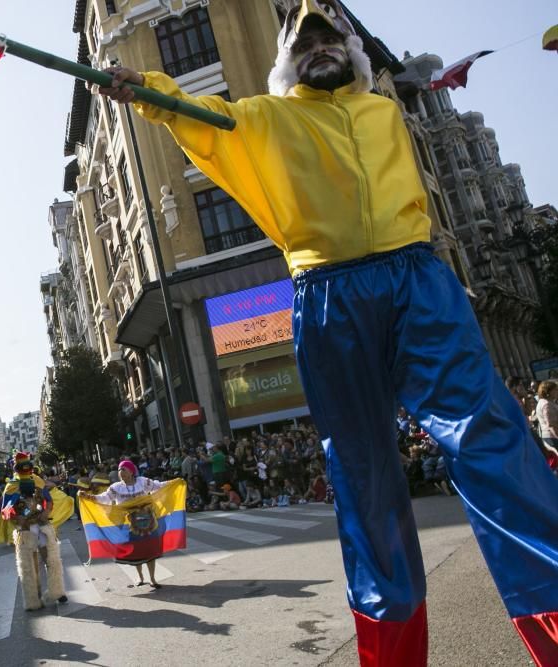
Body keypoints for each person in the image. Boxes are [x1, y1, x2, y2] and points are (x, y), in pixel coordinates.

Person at [97, 1, 558, 662]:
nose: (320, 47)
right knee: (365, 479)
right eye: (304, 43)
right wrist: (144, 90)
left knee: (490, 439)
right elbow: (202, 117)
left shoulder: (382, 110)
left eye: (329, 38)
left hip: (418, 282)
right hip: (329, 295)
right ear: (288, 63)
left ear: (351, 53)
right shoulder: (267, 117)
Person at [80, 460, 169, 588]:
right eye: (119, 470)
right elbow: (104, 498)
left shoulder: (143, 482)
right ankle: (140, 577)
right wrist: (89, 497)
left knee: (150, 550)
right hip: (129, 524)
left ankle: (153, 579)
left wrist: (174, 482)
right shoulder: (116, 487)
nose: (121, 472)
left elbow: (158, 486)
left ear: (131, 471)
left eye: (124, 470)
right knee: (136, 551)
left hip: (148, 521)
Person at [0, 452, 67, 611]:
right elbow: (4, 510)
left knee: (51, 558)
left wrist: (46, 512)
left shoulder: (38, 481)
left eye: (27, 466)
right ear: (16, 468)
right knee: (28, 566)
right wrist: (16, 518)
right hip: (24, 530)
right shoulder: (11, 487)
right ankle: (33, 599)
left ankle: (56, 592)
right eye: (21, 466)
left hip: (42, 526)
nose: (25, 469)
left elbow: (48, 501)